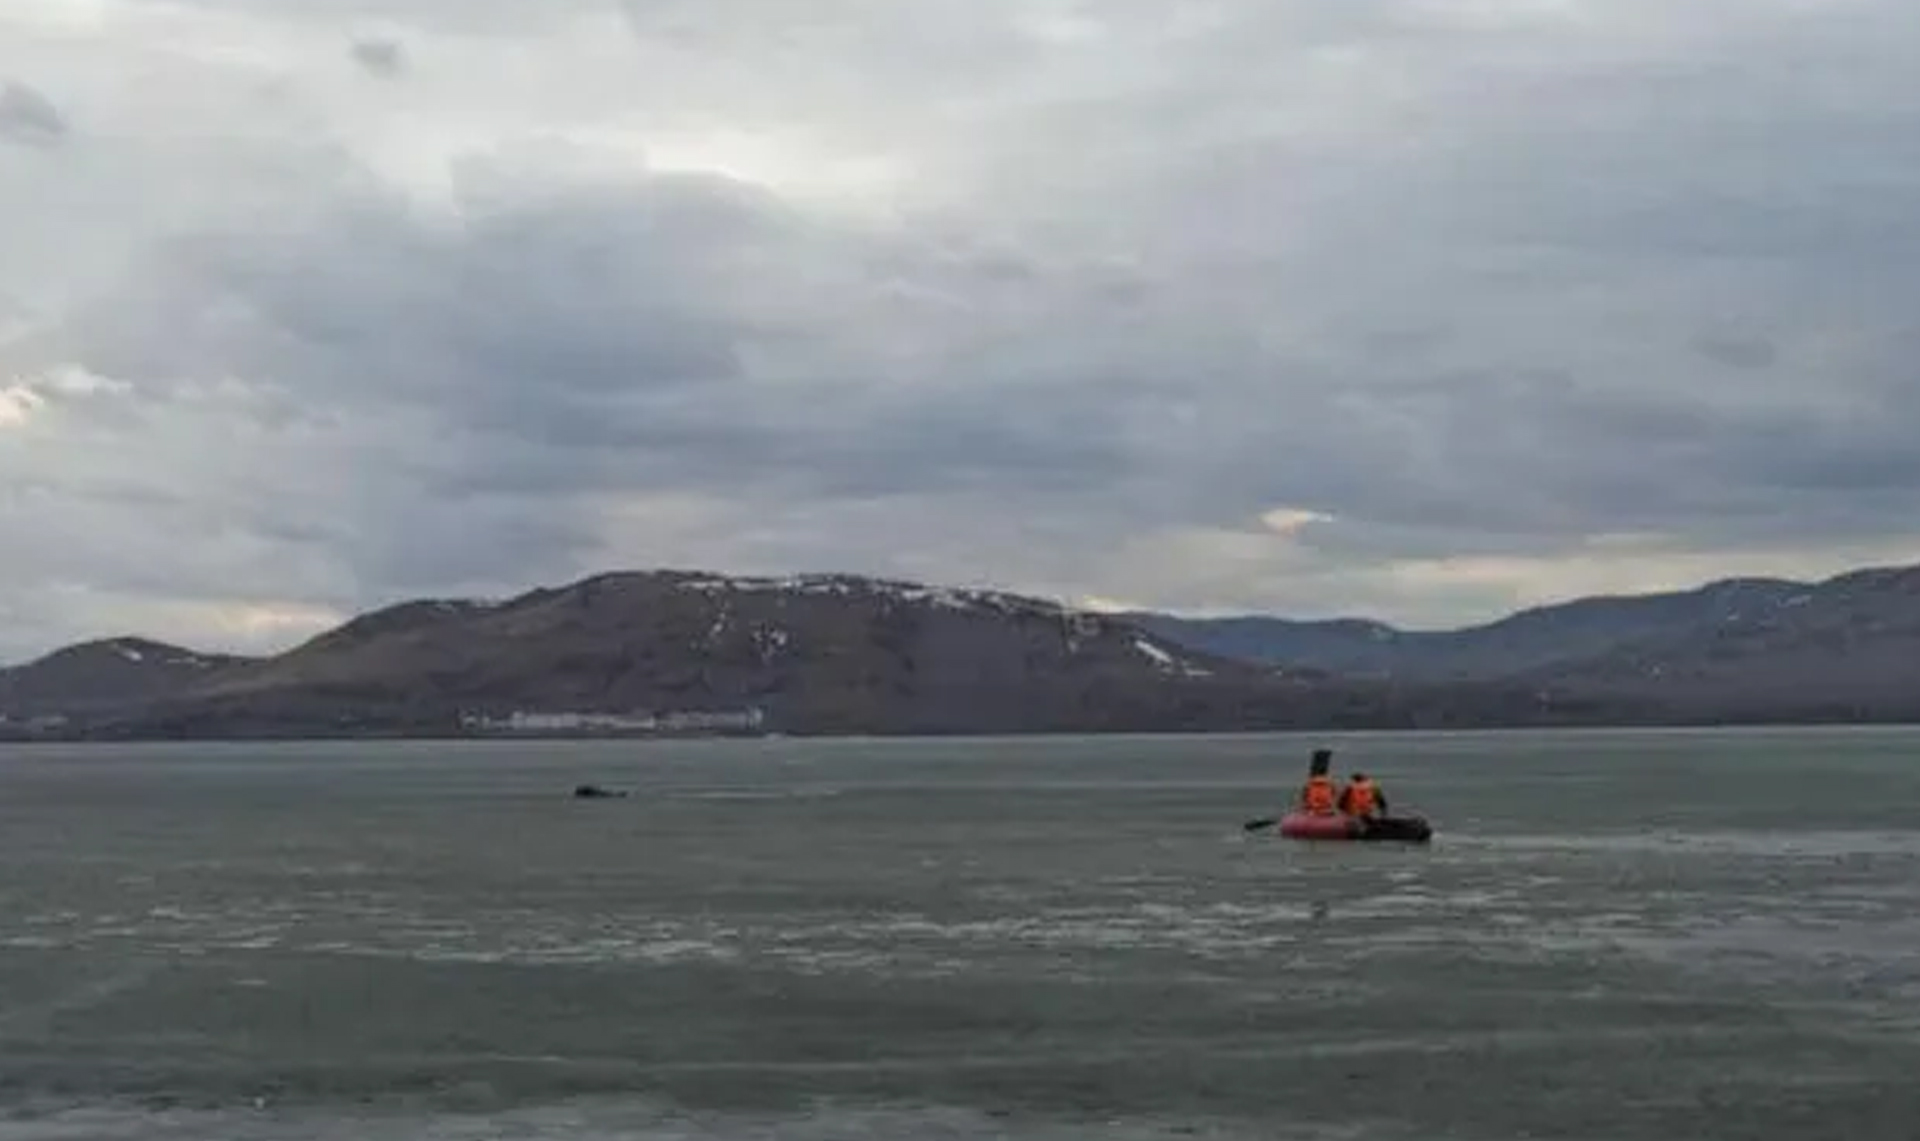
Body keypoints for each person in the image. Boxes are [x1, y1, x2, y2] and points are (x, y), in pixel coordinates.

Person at [1297, 747, 1339, 815]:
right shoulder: (1329, 783)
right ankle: (1323, 756)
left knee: (1318, 770)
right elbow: (1334, 794)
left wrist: (1303, 805)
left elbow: (1304, 794)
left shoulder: (1310, 783)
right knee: (1320, 770)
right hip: (1324, 804)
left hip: (1315, 804)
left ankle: (1321, 756)